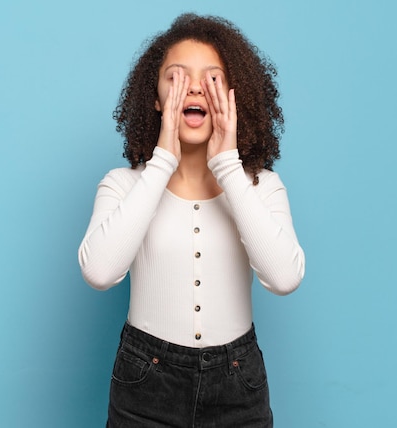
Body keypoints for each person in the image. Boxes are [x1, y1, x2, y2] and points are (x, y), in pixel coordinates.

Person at [78, 13, 305, 427]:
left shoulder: (260, 186)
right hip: (144, 384)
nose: (196, 87)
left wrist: (228, 166)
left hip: (239, 385)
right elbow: (99, 271)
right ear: (156, 98)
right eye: (177, 78)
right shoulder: (123, 185)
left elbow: (285, 277)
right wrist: (162, 160)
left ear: (235, 97)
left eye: (213, 79)